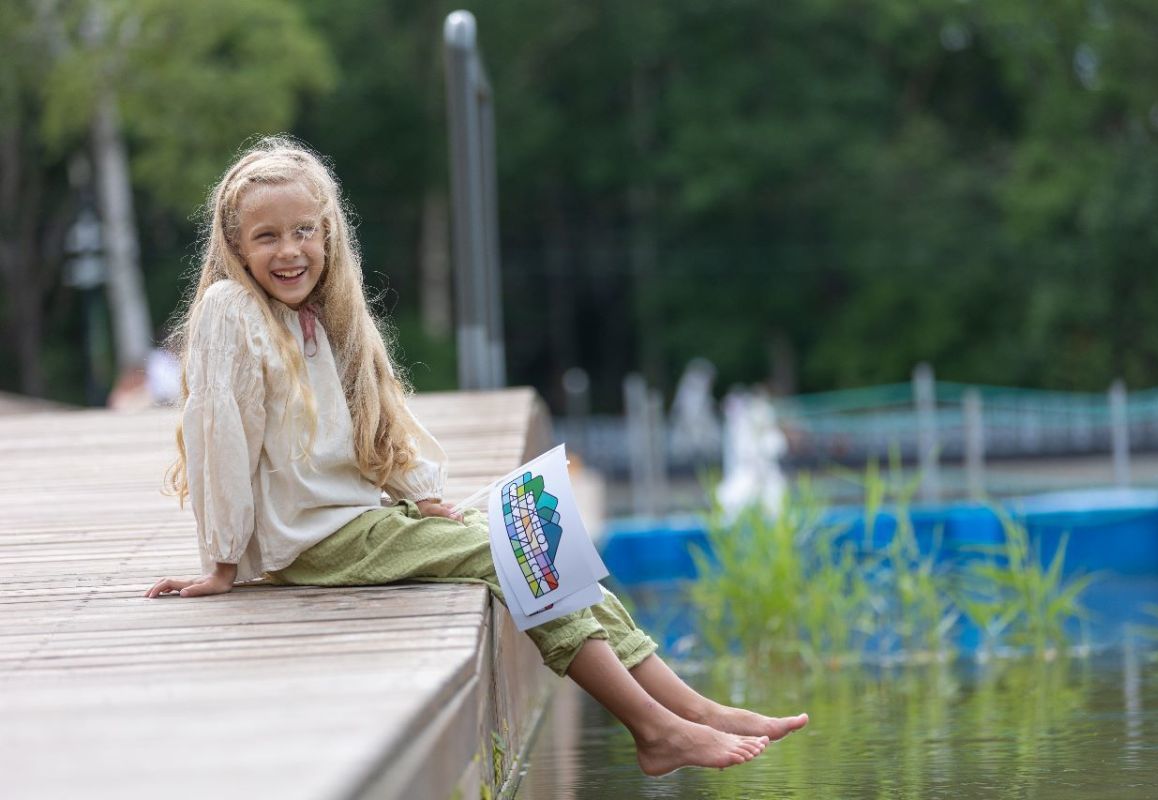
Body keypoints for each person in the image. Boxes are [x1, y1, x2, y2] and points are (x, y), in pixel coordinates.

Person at [144, 136, 807, 776]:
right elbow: (219, 438)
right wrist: (223, 561)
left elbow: (378, 421)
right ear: (234, 246)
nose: (289, 251)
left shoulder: (328, 314)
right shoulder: (231, 311)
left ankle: (689, 705)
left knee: (537, 532)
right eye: (266, 237)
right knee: (506, 552)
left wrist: (420, 492)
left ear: (328, 234)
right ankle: (655, 730)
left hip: (362, 523)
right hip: (314, 541)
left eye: (303, 232)